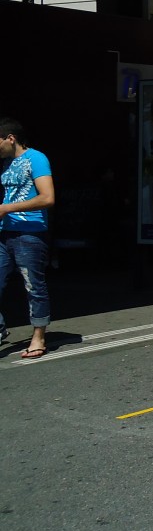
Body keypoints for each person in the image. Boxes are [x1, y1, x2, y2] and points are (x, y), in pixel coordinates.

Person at [0, 118, 55, 359]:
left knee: (33, 286)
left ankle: (39, 337)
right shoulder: (5, 163)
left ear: (10, 138)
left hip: (30, 233)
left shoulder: (37, 159)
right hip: (4, 233)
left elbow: (47, 198)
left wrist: (6, 209)